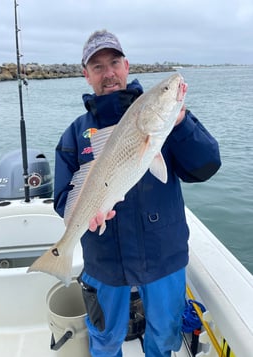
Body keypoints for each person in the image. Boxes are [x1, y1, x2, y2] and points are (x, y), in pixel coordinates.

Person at [54, 30, 221, 357]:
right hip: (104, 263)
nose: (109, 73)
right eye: (98, 67)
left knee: (165, 337)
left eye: (114, 62)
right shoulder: (76, 135)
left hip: (164, 258)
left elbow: (206, 167)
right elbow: (63, 199)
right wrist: (84, 218)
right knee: (104, 339)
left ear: (127, 65)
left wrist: (181, 121)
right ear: (86, 75)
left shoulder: (167, 122)